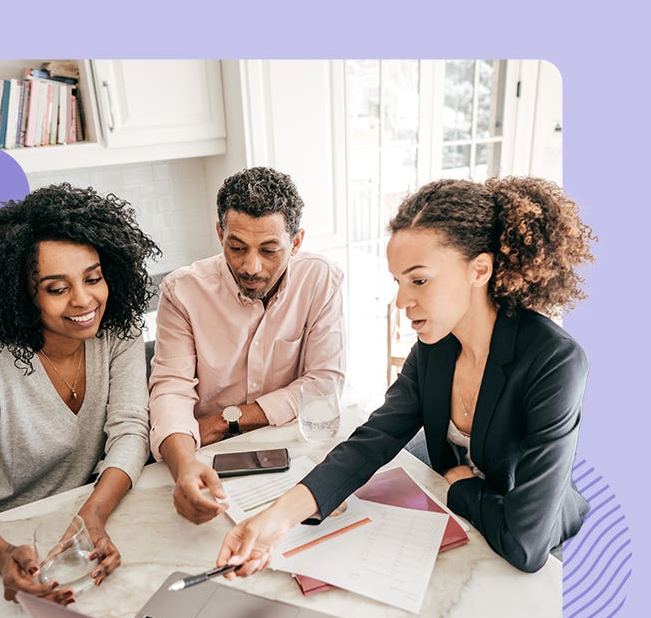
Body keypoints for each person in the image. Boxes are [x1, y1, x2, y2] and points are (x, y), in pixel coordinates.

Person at [217, 176, 596, 575]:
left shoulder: (554, 362)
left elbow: (525, 545)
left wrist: (459, 483)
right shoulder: (437, 346)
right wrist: (275, 520)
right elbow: (375, 437)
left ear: (479, 270)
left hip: (542, 550)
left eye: (419, 280)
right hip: (467, 524)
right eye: (398, 282)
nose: (401, 301)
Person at [0, 183, 160, 604]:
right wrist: (3, 556)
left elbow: (130, 430)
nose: (84, 299)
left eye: (93, 278)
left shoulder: (118, 331)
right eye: (57, 288)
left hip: (96, 508)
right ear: (22, 295)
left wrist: (94, 513)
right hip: (12, 537)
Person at [148, 167, 345, 524]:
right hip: (207, 456)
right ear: (220, 232)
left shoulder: (320, 279)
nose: (251, 266)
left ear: (296, 242)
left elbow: (323, 385)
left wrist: (229, 420)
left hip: (290, 448)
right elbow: (170, 390)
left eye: (270, 250)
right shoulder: (182, 292)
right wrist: (184, 468)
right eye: (236, 247)